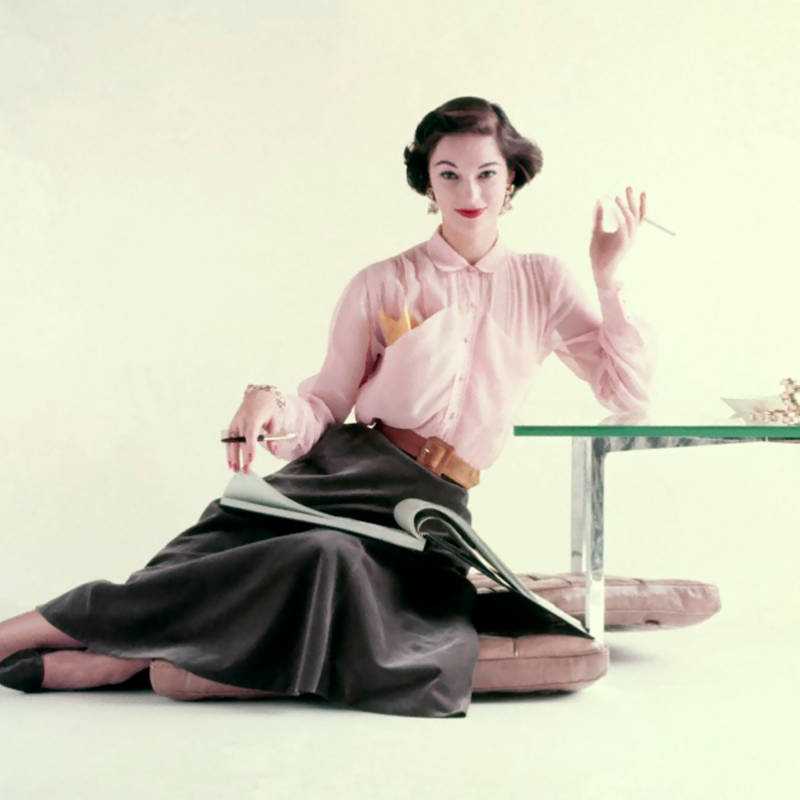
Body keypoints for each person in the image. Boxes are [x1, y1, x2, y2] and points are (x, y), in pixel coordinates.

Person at [0, 96, 654, 717]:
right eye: (448, 174)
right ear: (427, 184)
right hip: (343, 477)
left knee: (325, 559)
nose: (470, 193)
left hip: (428, 511)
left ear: (512, 178)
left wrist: (609, 278)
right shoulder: (382, 281)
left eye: (486, 173)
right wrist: (269, 401)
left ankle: (118, 660)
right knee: (216, 557)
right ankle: (32, 636)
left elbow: (625, 390)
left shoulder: (543, 281)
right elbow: (328, 399)